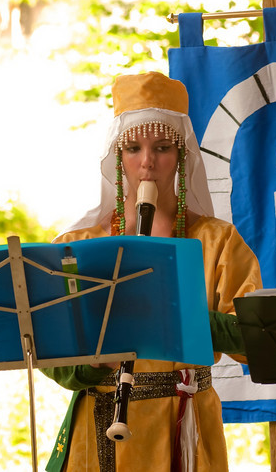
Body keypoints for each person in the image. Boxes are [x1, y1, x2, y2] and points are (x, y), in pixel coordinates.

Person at [42, 71, 262, 472]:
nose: (147, 162)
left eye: (162, 148)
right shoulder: (76, 245)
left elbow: (253, 340)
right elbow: (52, 357)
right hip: (97, 425)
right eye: (133, 148)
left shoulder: (217, 240)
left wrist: (174, 316)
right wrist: (95, 363)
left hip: (183, 423)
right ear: (117, 157)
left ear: (181, 156)